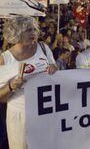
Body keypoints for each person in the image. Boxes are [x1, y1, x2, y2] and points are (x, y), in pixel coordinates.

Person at [0, 16, 57, 149]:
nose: (34, 33)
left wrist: (54, 68)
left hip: (45, 110)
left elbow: (55, 71)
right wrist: (11, 86)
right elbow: (1, 98)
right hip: (21, 116)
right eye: (28, 30)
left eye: (34, 29)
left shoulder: (43, 48)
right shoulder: (4, 60)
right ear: (17, 34)